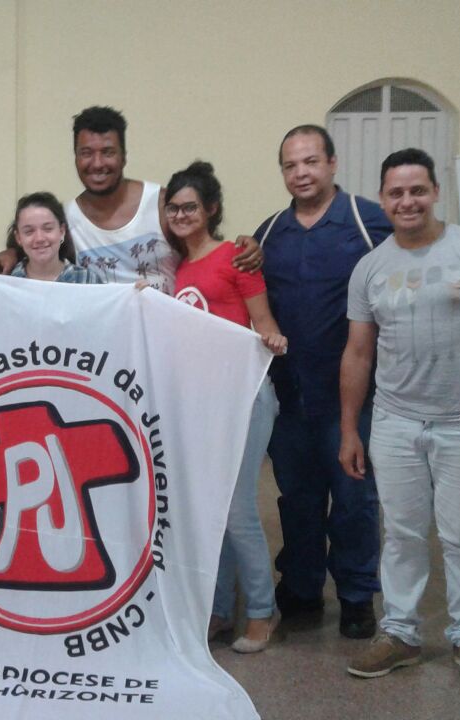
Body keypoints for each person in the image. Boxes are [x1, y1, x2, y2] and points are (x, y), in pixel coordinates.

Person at [339, 149, 460, 692]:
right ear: (382, 200)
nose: (407, 201)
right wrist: (350, 429)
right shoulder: (371, 268)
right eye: (396, 193)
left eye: (417, 190)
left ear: (435, 192)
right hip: (396, 423)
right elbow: (357, 354)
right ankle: (400, 634)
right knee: (400, 534)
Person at [246, 124, 390, 638]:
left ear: (331, 163)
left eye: (310, 161)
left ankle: (355, 595)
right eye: (290, 165)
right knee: (297, 499)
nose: (300, 172)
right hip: (290, 399)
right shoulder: (266, 235)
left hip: (353, 400)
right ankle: (303, 588)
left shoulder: (370, 222)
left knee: (353, 500)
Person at [162, 161, 286, 653]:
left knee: (236, 511)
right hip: (203, 402)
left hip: (246, 396)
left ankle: (261, 611)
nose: (181, 215)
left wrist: (271, 338)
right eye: (173, 208)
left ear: (210, 209)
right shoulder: (181, 267)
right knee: (209, 512)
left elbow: (263, 321)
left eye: (190, 206)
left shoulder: (237, 255)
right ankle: (218, 609)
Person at [0, 106, 261, 289]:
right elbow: (39, 251)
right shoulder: (67, 219)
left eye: (107, 152)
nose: (97, 163)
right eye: (86, 153)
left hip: (167, 344)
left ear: (124, 156)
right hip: (106, 359)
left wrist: (244, 248)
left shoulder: (161, 203)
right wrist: (11, 252)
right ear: (75, 158)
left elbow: (205, 249)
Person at [7, 191, 103, 284]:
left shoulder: (88, 280)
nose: (39, 238)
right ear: (18, 238)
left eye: (48, 229)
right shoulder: (5, 282)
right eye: (29, 231)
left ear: (62, 231)